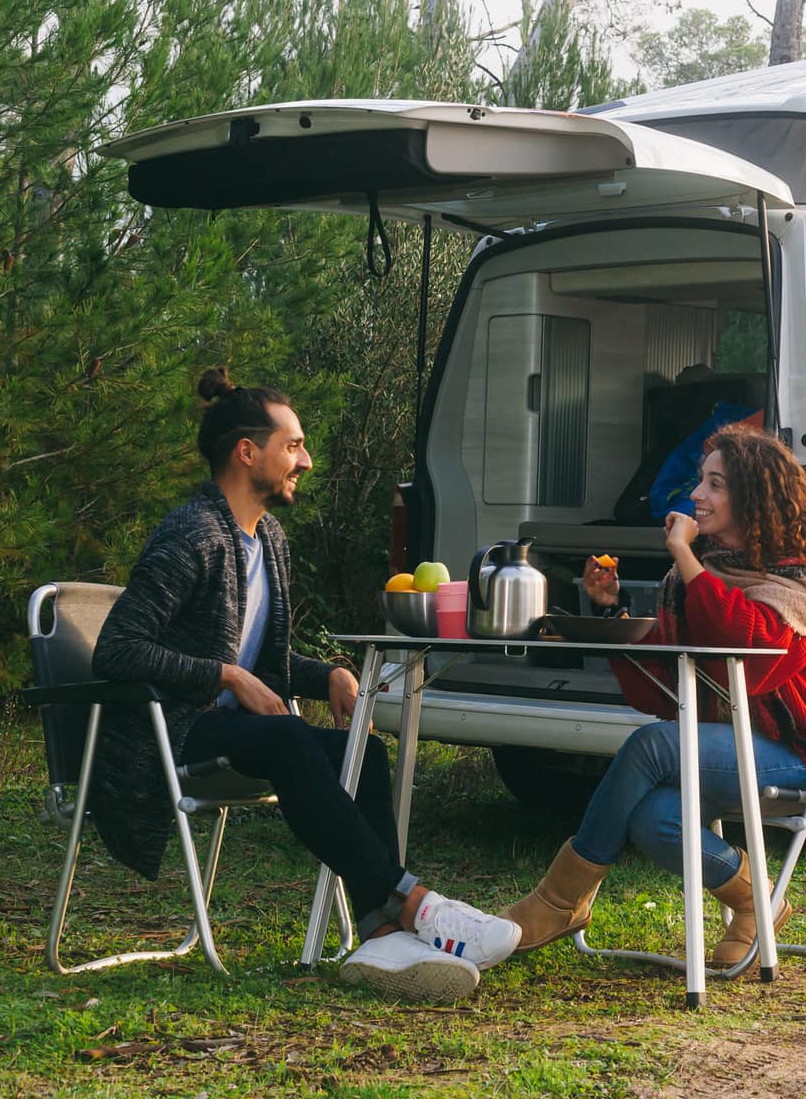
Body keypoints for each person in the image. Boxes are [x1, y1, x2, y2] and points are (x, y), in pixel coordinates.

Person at [91, 367, 519, 1001]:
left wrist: (332, 676)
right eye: (293, 445)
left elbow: (265, 660)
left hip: (231, 727)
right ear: (247, 452)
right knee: (291, 740)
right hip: (170, 732)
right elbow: (117, 649)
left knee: (364, 751)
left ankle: (377, 933)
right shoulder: (193, 534)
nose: (307, 461)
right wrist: (225, 674)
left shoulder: (268, 540)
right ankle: (416, 907)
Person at [502, 422, 806, 967]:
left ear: (752, 497)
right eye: (700, 482)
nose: (696, 496)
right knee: (654, 820)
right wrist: (612, 611)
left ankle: (559, 899)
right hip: (721, 746)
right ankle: (757, 902)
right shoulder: (703, 577)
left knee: (650, 747)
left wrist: (685, 558)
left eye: (714, 485)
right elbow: (664, 690)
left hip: (794, 756)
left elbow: (747, 647)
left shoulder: (800, 584)